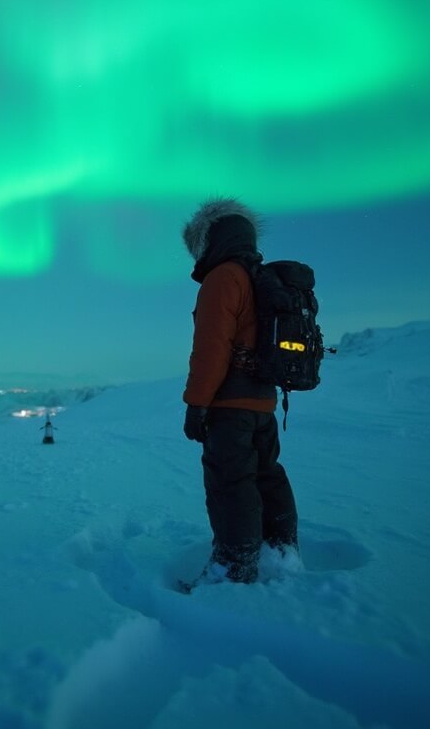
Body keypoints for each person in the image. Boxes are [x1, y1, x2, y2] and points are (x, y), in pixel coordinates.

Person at [181, 197, 298, 584]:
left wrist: (196, 405)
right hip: (263, 402)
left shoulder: (224, 278)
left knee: (231, 484)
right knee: (267, 475)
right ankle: (281, 551)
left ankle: (232, 570)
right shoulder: (258, 275)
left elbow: (212, 348)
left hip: (230, 405)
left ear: (210, 239)